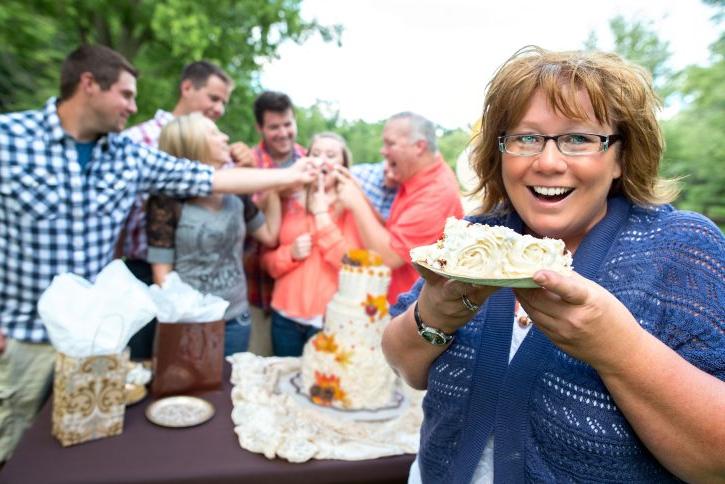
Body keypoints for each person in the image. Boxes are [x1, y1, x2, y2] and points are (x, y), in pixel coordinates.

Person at [381, 46, 725, 483]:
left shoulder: (681, 249)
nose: (547, 162)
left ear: (620, 156)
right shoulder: (475, 238)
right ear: (500, 151)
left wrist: (619, 350)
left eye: (578, 138)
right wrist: (433, 315)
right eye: (526, 138)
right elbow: (403, 364)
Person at [0, 44, 315, 464]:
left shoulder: (128, 156)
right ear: (89, 85)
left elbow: (204, 176)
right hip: (24, 338)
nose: (134, 106)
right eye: (127, 95)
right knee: (13, 445)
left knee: (90, 450)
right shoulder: (10, 139)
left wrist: (290, 173)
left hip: (102, 340)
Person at [121, 60, 253, 358]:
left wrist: (249, 167)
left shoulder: (217, 153)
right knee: (156, 365)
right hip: (147, 272)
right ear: (187, 87)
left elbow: (241, 208)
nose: (219, 108)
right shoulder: (135, 140)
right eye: (214, 98)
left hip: (204, 285)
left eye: (224, 103)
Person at [145, 113, 281, 356]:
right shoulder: (167, 200)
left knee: (228, 391)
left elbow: (269, 235)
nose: (225, 137)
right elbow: (162, 277)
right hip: (189, 323)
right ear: (192, 143)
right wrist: (189, 319)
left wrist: (271, 187)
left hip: (236, 318)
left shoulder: (236, 190)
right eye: (214, 133)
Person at [335, 112, 463, 304]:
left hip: (415, 311)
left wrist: (356, 203)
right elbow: (391, 234)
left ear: (419, 147)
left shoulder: (436, 193)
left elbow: (388, 256)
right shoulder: (416, 178)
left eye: (390, 143)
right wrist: (357, 193)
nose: (383, 151)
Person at [262, 132, 362, 356]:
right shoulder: (287, 200)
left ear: (343, 164)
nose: (321, 159)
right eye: (315, 153)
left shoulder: (353, 206)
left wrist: (320, 214)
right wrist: (289, 254)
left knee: (321, 387)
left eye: (331, 155)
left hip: (329, 321)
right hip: (284, 318)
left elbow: (351, 265)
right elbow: (266, 260)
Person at [244, 91, 307, 356]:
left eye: (287, 124)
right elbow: (238, 216)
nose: (283, 133)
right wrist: (274, 189)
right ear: (260, 128)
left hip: (300, 293)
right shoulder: (247, 164)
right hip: (256, 287)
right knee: (257, 364)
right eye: (273, 127)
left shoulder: (309, 161)